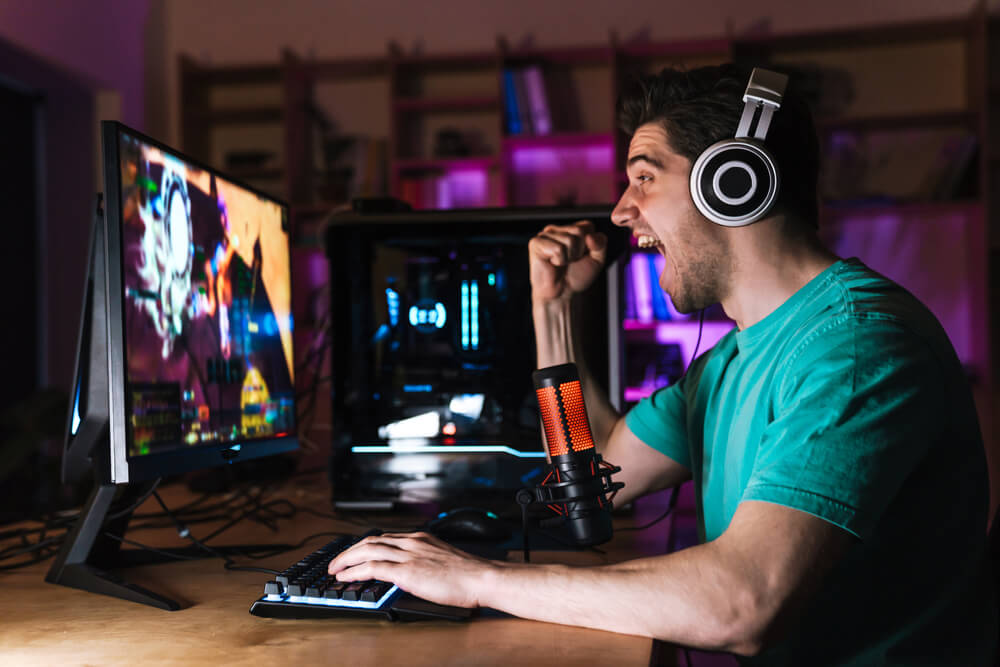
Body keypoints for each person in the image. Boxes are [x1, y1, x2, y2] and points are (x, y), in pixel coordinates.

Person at [329, 64, 997, 664]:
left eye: (644, 177)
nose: (622, 211)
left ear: (734, 180)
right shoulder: (729, 363)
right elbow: (590, 481)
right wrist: (553, 310)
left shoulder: (857, 348)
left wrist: (476, 580)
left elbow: (742, 602)